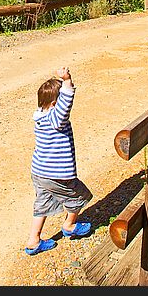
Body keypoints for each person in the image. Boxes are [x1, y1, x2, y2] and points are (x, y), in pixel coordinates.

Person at [25, 65, 93, 256]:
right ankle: (70, 225)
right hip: (56, 174)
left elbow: (59, 104)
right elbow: (65, 103)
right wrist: (67, 80)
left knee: (42, 203)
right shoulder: (56, 119)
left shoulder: (40, 116)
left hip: (39, 172)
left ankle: (34, 241)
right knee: (79, 196)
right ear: (55, 104)